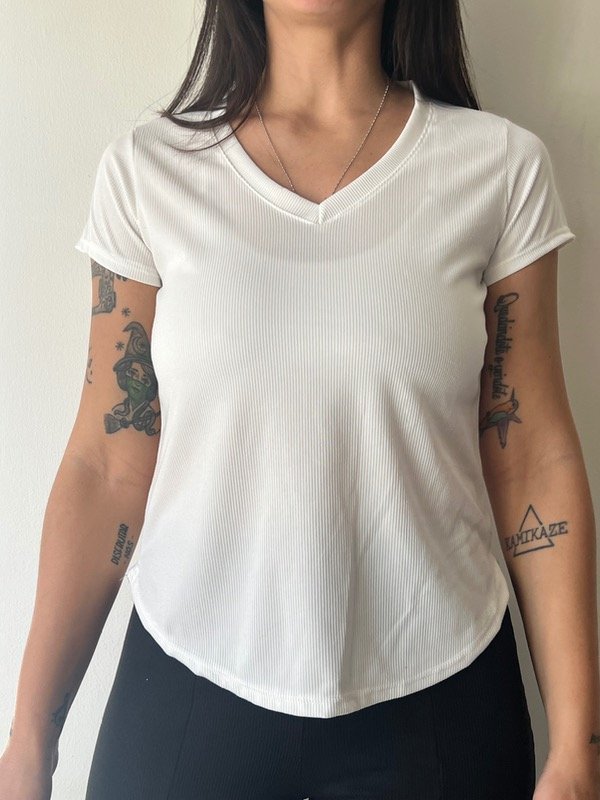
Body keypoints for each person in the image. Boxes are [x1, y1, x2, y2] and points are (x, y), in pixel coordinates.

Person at [1, 0, 599, 798]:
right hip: (188, 690)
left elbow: (531, 459)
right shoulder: (149, 171)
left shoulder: (500, 168)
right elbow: (107, 463)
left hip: (439, 700)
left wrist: (578, 746)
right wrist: (29, 740)